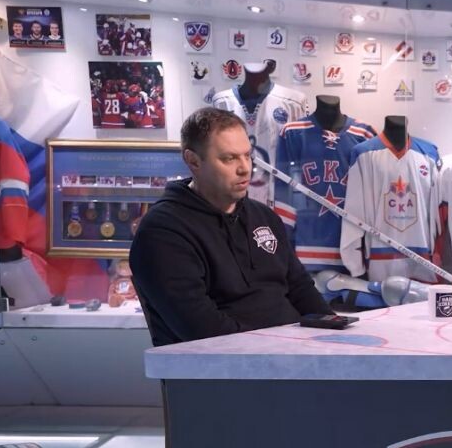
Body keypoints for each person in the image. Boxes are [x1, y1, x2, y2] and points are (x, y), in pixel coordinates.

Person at [129, 107, 331, 347]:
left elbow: (301, 289)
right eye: (229, 158)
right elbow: (202, 329)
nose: (245, 168)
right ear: (193, 161)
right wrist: (280, 348)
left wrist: (334, 337)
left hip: (295, 355)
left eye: (247, 155)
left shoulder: (264, 217)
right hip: (226, 364)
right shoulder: (162, 232)